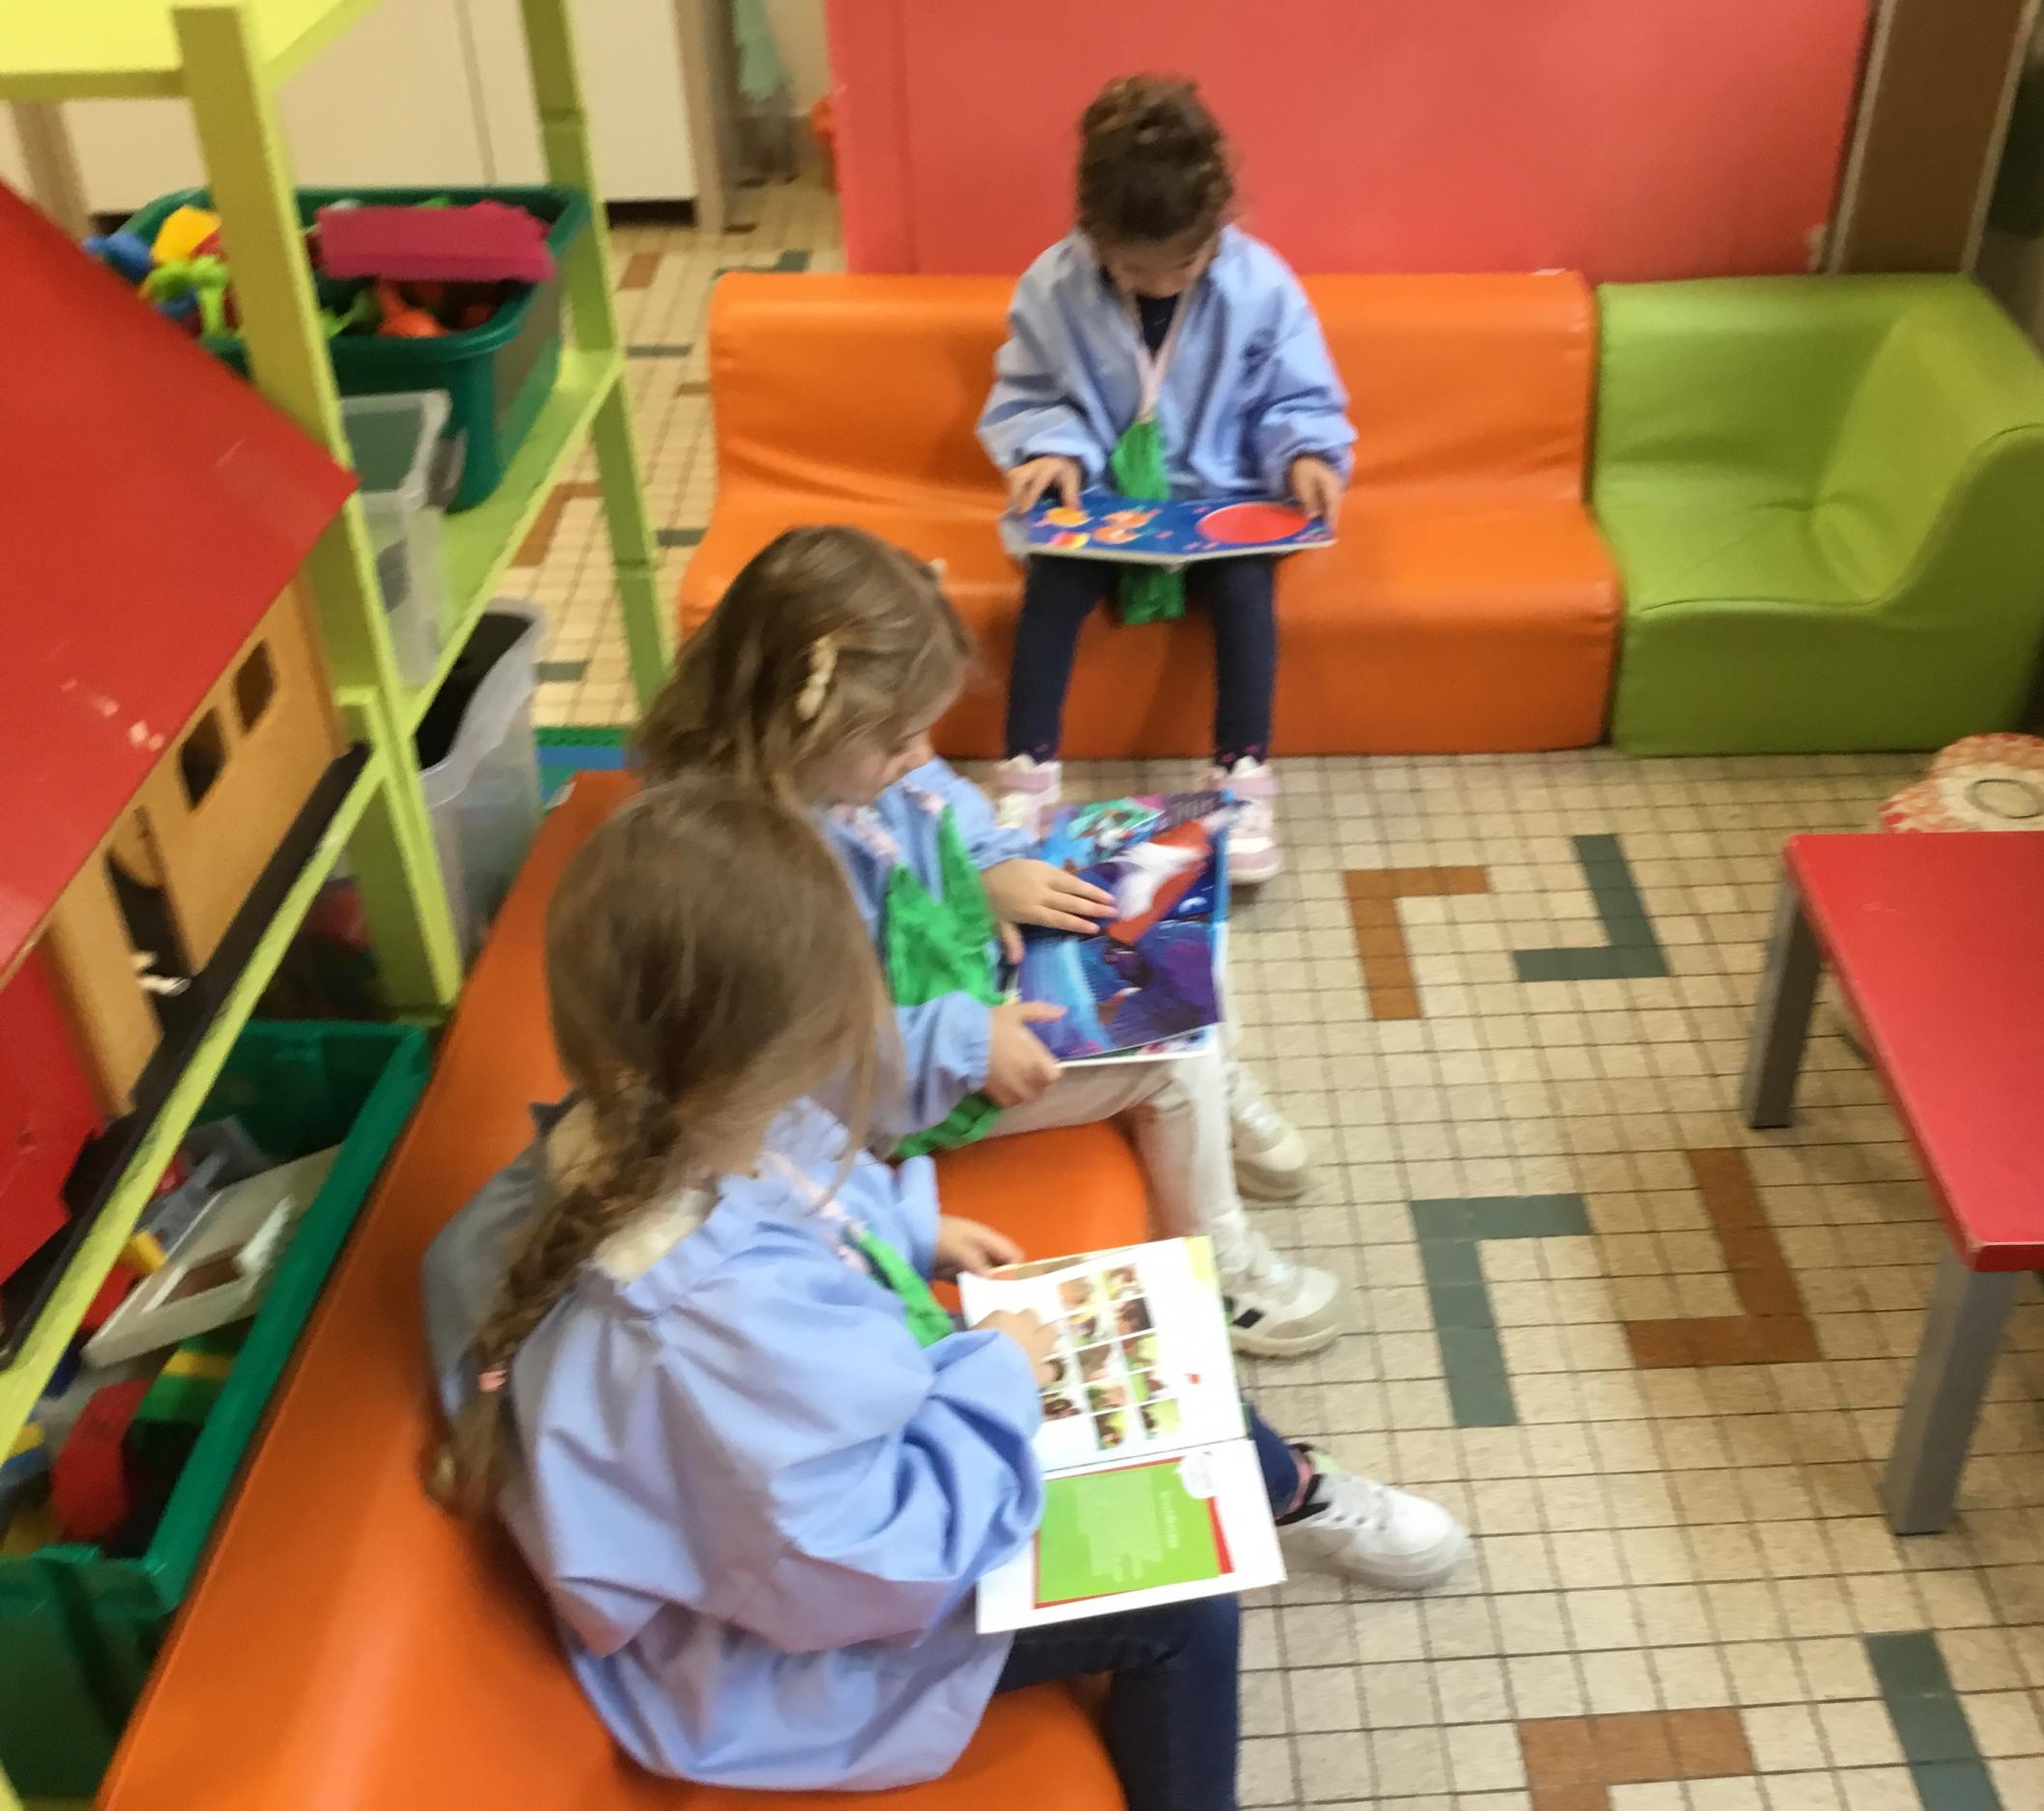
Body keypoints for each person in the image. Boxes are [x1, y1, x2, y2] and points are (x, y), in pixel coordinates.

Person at [419, 784, 1468, 1803]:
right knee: (1188, 1610)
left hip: (835, 1483)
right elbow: (873, 1567)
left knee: (1157, 1352)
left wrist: (910, 1231)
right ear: (803, 1044)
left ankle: (1284, 1484)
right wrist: (1002, 1376)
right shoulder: (702, 1329)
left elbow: (795, 1176)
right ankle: (1275, 1505)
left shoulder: (642, 1122)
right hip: (782, 1659)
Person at [635, 524, 1339, 1356]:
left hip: (947, 987)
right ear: (804, 723)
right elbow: (816, 1064)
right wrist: (971, 1042)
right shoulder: (753, 873)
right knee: (1173, 1060)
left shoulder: (823, 764)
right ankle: (1226, 1274)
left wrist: (988, 864)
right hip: (887, 1091)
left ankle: (1225, 1094)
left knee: (1182, 941)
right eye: (899, 740)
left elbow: (937, 797)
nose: (922, 755)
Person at [978, 73, 1354, 882]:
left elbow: (1295, 393)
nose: (1163, 283)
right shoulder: (1054, 287)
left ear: (1218, 226)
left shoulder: (1260, 286)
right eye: (1133, 269)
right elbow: (1030, 391)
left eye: (1185, 262)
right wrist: (1051, 450)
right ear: (1093, 236)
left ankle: (1242, 777)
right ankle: (1026, 774)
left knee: (1247, 589)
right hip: (1104, 502)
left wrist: (1304, 452)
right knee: (1052, 580)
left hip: (1221, 499)